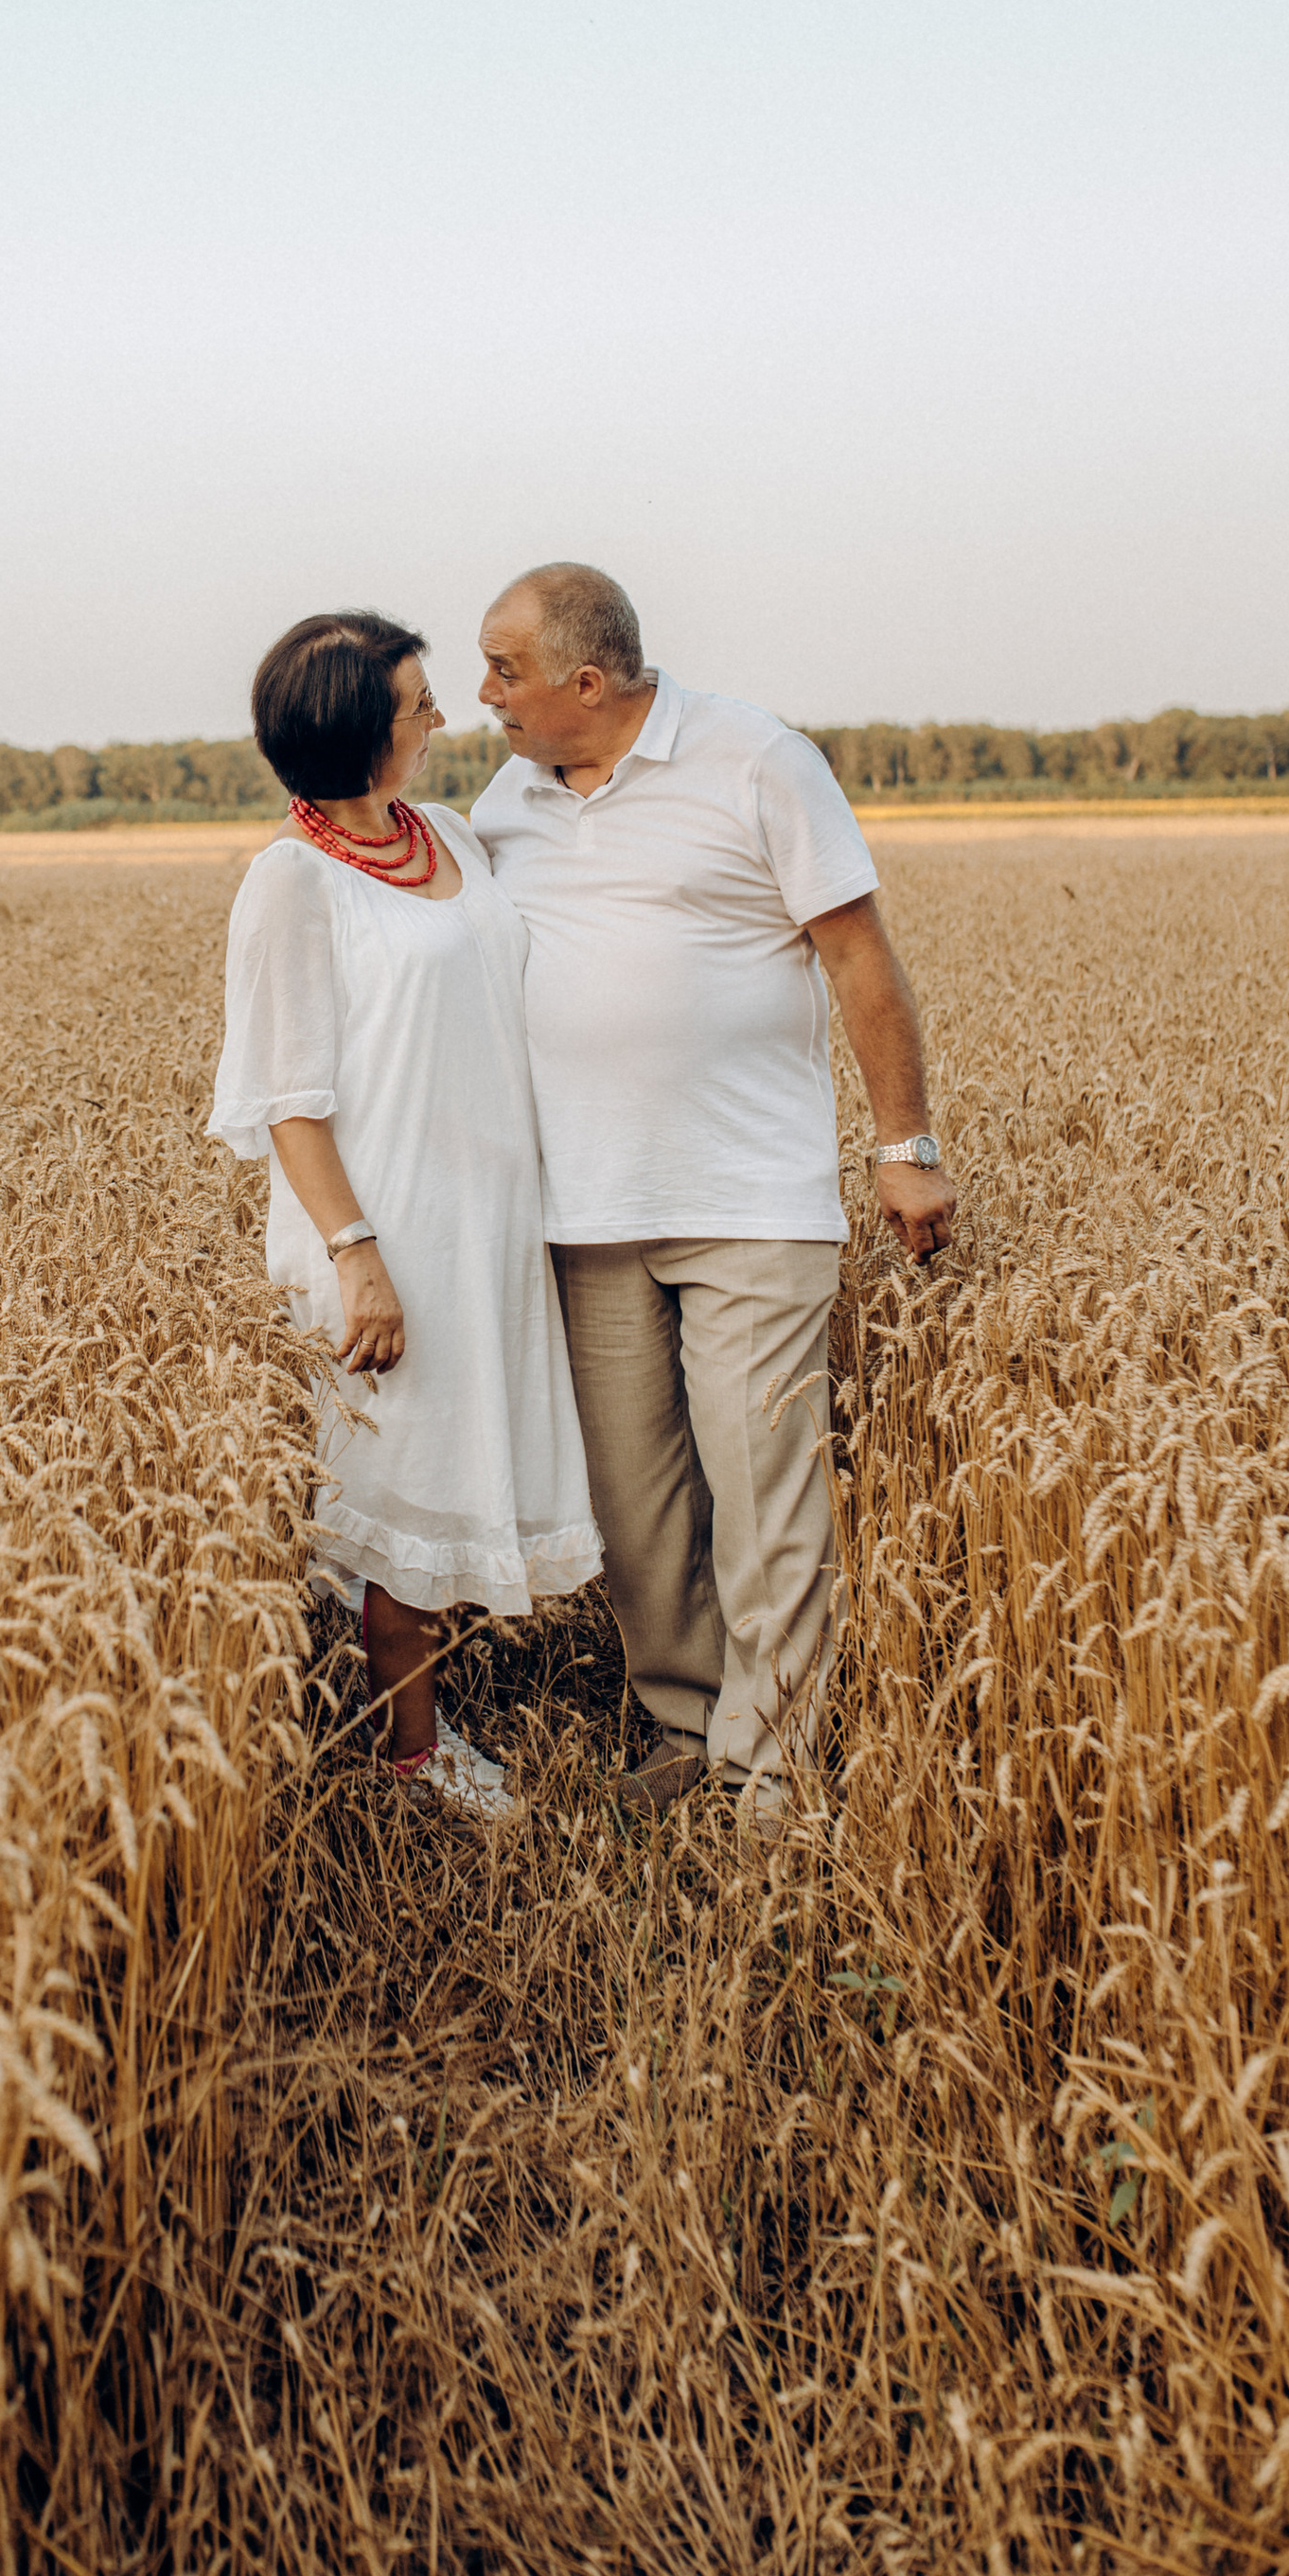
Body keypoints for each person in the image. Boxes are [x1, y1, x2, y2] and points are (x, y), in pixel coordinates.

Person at [472, 563, 956, 1838]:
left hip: (749, 1197)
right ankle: (687, 1730)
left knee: (765, 1499)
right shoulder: (510, 794)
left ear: (586, 682)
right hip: (581, 1207)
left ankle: (777, 1779)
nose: (485, 697)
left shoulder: (756, 760)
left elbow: (857, 953)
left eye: (504, 671)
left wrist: (904, 1142)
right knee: (636, 1511)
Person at [209, 609, 602, 1820]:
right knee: (401, 1489)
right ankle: (410, 1759)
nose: (442, 717)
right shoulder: (289, 883)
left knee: (454, 1458)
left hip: (484, 1211)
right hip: (384, 1226)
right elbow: (288, 1100)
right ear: (359, 729)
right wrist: (356, 1256)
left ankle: (414, 1731)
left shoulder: (444, 835)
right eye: (420, 703)